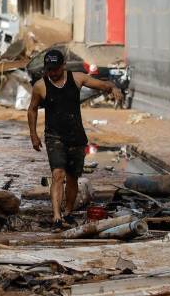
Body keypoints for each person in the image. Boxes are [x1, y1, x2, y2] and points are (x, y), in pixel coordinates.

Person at [27, 49, 123, 227]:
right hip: (54, 136)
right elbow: (32, 109)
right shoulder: (40, 86)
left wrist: (114, 88)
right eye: (49, 69)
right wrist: (33, 134)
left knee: (72, 178)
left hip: (76, 136)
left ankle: (68, 212)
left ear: (63, 66)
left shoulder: (77, 78)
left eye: (55, 69)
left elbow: (102, 85)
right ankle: (56, 217)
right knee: (57, 174)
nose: (52, 73)